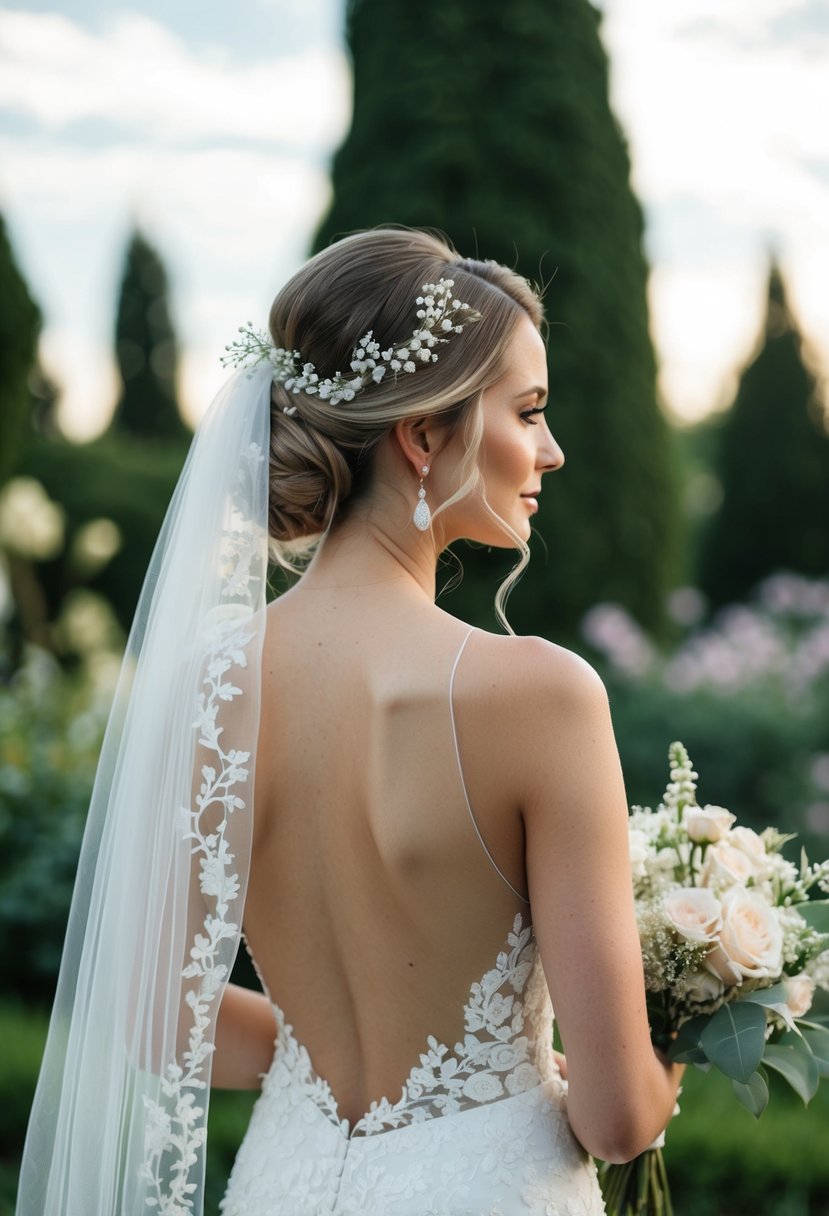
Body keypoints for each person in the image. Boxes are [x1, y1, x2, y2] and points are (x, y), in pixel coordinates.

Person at [17, 228, 682, 1216]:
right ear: (421, 434)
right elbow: (617, 1120)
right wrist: (679, 1036)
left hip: (282, 1183)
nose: (551, 449)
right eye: (527, 410)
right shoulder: (541, 696)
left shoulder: (201, 687)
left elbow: (157, 1014)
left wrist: (316, 1064)